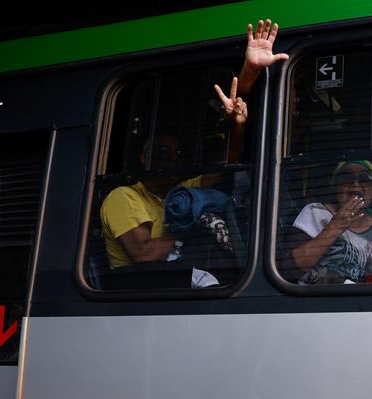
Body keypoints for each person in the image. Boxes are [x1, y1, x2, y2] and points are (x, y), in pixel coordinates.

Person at [100, 19, 288, 270]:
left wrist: (237, 125)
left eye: (176, 153)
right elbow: (144, 253)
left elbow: (225, 168)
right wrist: (195, 232)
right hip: (136, 290)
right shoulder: (124, 197)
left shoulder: (177, 194)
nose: (170, 159)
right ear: (143, 157)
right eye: (162, 152)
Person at [282, 160, 372, 284]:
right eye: (347, 177)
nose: (355, 184)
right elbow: (288, 270)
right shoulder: (315, 212)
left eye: (365, 179)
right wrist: (335, 227)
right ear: (337, 186)